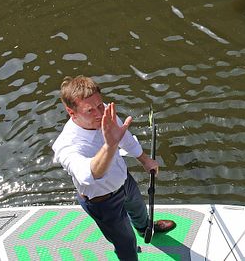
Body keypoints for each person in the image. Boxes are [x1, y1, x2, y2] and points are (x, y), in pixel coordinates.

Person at [52, 76, 175, 261]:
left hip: (124, 180)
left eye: (100, 105)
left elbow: (124, 137)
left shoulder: (105, 113)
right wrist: (110, 145)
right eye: (90, 110)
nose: (100, 114)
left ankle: (145, 228)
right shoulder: (66, 145)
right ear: (72, 112)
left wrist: (144, 160)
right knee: (125, 242)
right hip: (103, 203)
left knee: (139, 210)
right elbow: (88, 175)